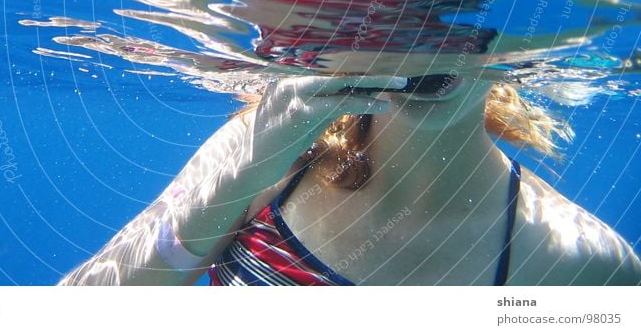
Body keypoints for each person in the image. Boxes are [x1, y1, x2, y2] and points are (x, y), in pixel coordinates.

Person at [58, 73, 641, 285]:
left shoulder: (581, 263)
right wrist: (246, 174)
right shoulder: (268, 149)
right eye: (399, 2)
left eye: (464, 2)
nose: (427, 34)